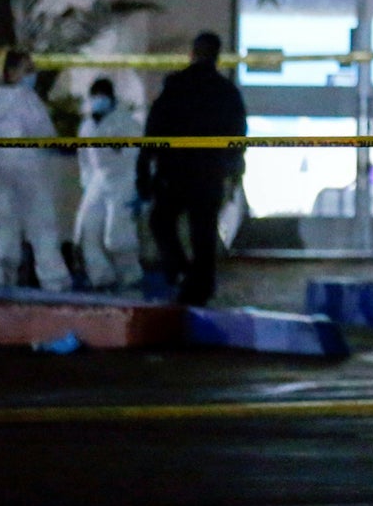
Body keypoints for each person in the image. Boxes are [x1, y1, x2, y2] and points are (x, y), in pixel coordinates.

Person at [137, 32, 247, 306]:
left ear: (193, 53)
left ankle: (179, 271)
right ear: (217, 56)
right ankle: (200, 285)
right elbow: (238, 136)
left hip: (174, 170)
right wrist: (233, 170)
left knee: (161, 221)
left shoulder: (175, 86)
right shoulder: (226, 92)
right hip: (208, 172)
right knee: (203, 232)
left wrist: (144, 168)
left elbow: (154, 128)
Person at [0, 49, 72, 292]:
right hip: (28, 166)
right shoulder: (26, 99)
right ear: (11, 73)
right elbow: (43, 132)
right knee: (41, 224)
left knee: (4, 223)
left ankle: (1, 277)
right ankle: (55, 281)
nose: (33, 75)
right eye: (27, 70)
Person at [74, 77, 143, 290]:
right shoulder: (87, 126)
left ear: (111, 98)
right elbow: (84, 158)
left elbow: (136, 154)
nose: (98, 101)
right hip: (98, 181)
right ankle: (101, 277)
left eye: (102, 97)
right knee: (87, 231)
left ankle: (131, 277)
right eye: (95, 97)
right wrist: (88, 183)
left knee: (117, 237)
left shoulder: (127, 123)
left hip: (123, 180)